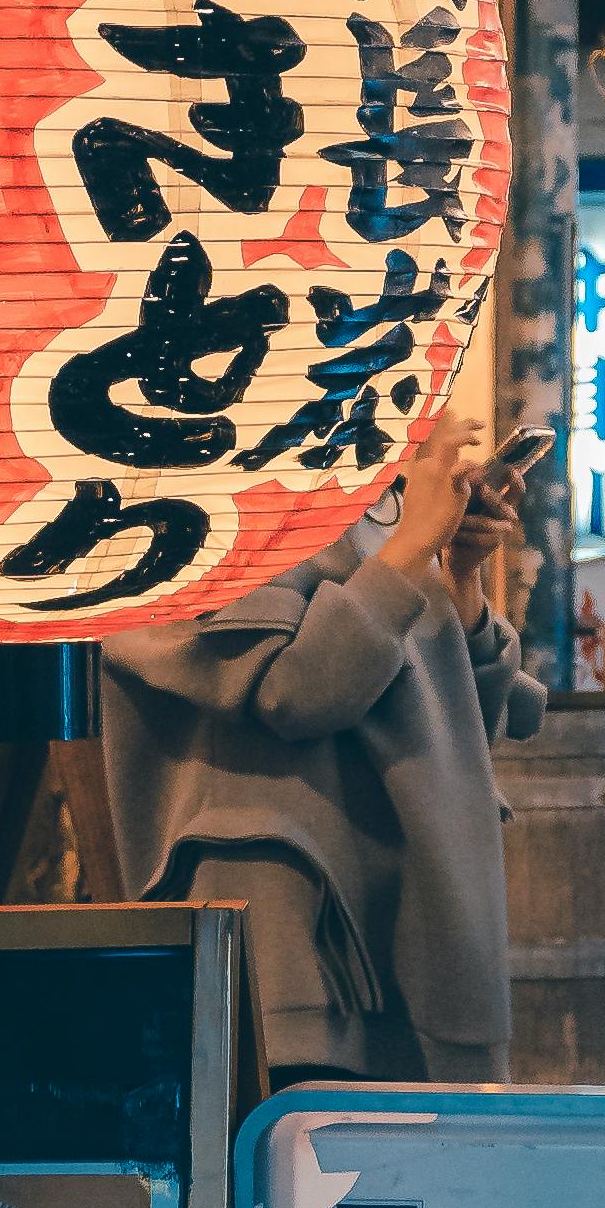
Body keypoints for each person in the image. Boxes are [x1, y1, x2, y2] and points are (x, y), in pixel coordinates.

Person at [101, 399, 543, 1081]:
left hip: (421, 932)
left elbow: (453, 723)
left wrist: (459, 570)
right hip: (297, 960)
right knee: (297, 1172)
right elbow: (300, 692)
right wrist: (410, 548)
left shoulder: (358, 492)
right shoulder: (180, 504)